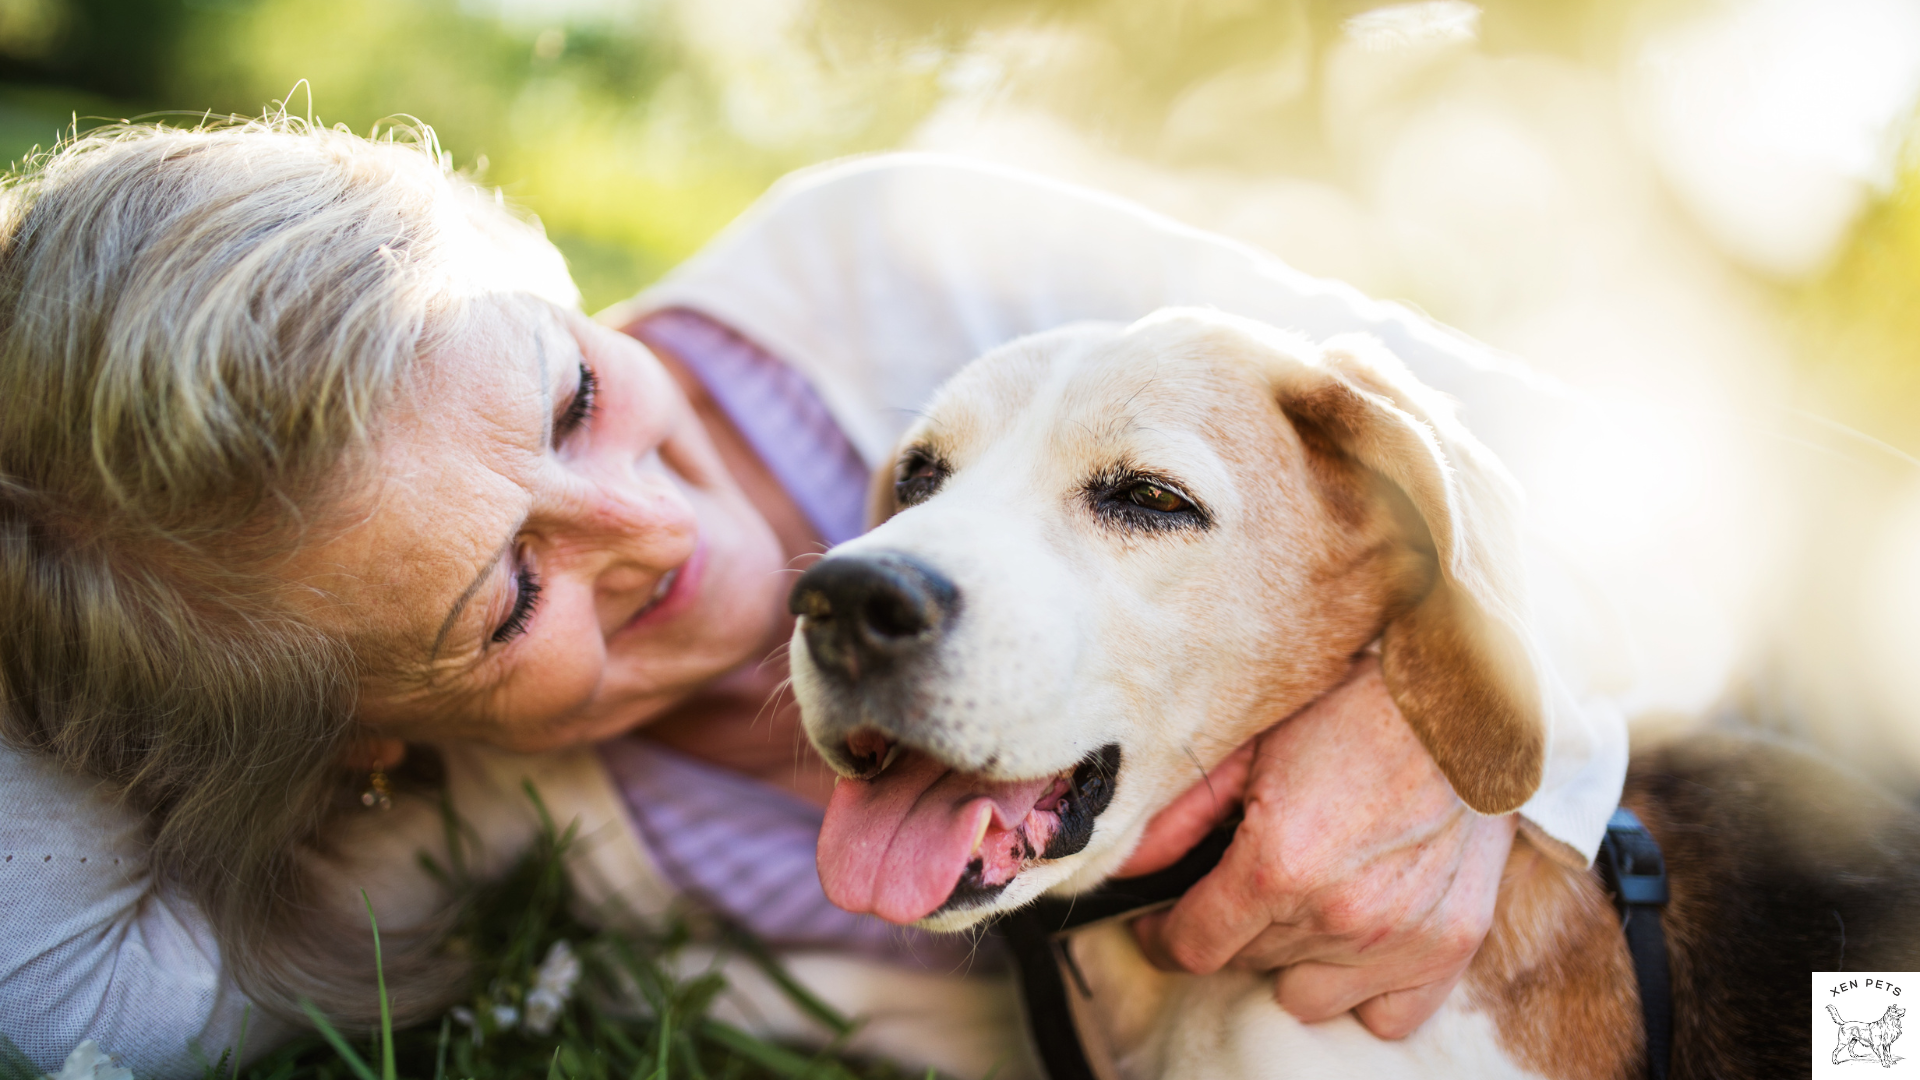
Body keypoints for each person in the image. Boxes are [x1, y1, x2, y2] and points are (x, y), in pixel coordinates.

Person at [0, 115, 1632, 1079]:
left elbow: (1634, 477)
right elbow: (49, 986)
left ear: (543, 267)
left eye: (573, 397)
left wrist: (1480, 740)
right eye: (507, 600)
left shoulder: (901, 256)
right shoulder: (453, 824)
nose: (658, 531)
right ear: (363, 735)